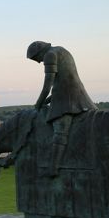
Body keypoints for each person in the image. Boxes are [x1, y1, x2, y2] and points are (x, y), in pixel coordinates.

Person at [27, 41, 97, 177]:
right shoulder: (61, 50)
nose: (39, 62)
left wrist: (37, 105)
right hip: (71, 94)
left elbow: (47, 86)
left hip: (68, 98)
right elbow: (61, 84)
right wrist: (44, 102)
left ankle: (54, 167)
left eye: (36, 59)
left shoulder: (50, 55)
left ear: (39, 52)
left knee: (60, 131)